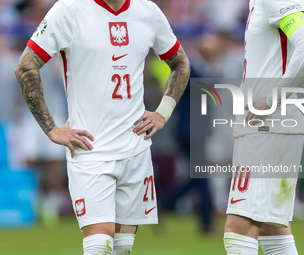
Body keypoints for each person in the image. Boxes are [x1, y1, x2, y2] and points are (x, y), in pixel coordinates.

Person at [15, 0, 190, 254]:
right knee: (99, 243)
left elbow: (180, 63)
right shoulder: (69, 10)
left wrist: (163, 112)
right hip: (89, 149)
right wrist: (51, 129)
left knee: (122, 248)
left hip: (135, 149)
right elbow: (25, 66)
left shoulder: (148, 11)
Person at [223, 0, 304, 254]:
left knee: (239, 228)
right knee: (273, 229)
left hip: (267, 128)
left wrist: (269, 99)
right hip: (273, 127)